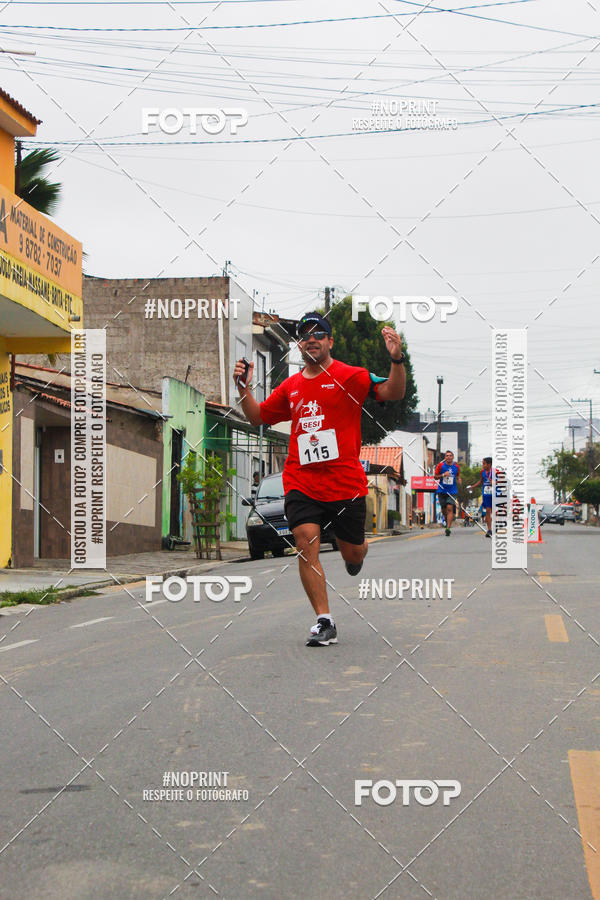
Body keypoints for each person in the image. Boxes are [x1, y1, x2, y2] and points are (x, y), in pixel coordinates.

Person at [233, 311, 406, 647]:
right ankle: (324, 621)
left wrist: (396, 359)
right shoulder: (291, 387)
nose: (310, 339)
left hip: (344, 484)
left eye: (318, 333)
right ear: (299, 344)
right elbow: (257, 417)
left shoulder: (351, 376)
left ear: (329, 340)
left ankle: (353, 552)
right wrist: (242, 388)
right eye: (304, 334)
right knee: (304, 540)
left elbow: (392, 392)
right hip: (302, 481)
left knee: (353, 553)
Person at [434, 450, 461, 536]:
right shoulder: (441, 466)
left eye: (450, 456)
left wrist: (459, 479)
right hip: (442, 490)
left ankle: (448, 528)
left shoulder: (456, 466)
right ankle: (447, 520)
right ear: (445, 457)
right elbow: (435, 476)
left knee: (450, 508)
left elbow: (458, 475)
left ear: (453, 457)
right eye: (447, 456)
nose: (448, 457)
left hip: (452, 491)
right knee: (444, 510)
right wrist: (443, 475)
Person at [468, 457, 494, 537]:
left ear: (489, 464)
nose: (482, 465)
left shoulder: (495, 472)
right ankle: (489, 530)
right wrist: (473, 486)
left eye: (484, 463)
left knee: (495, 512)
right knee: (488, 511)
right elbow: (481, 481)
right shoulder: (483, 472)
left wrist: (494, 482)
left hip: (495, 494)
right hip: (486, 494)